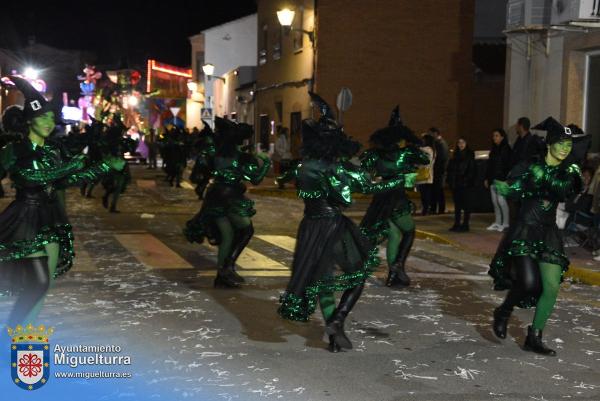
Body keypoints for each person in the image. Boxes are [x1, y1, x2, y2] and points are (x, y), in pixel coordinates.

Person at [278, 93, 405, 352]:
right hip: (334, 226)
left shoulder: (303, 166)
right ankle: (338, 319)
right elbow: (368, 187)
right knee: (357, 275)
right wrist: (399, 181)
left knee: (321, 282)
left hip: (310, 226)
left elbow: (286, 178)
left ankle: (335, 334)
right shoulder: (340, 168)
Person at [0, 76, 125, 326]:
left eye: (50, 117)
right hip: (25, 218)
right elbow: (30, 177)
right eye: (43, 117)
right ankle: (10, 334)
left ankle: (23, 341)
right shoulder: (15, 150)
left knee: (44, 287)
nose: (49, 122)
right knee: (39, 282)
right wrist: (68, 167)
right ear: (29, 121)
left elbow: (66, 181)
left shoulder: (53, 150)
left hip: (51, 218)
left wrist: (104, 166)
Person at [489, 117, 582, 356]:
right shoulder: (530, 165)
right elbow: (516, 187)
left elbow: (563, 190)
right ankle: (504, 311)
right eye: (561, 143)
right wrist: (510, 188)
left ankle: (534, 336)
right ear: (549, 143)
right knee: (530, 283)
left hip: (549, 232)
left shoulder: (569, 170)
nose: (565, 149)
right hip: (525, 229)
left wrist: (546, 175)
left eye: (568, 145)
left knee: (551, 287)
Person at [184, 117, 270, 288]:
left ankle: (221, 276)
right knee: (246, 230)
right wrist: (266, 163)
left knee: (227, 236)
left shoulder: (217, 154)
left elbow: (200, 172)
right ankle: (227, 267)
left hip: (214, 196)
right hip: (230, 197)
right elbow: (256, 180)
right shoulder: (241, 157)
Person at [360, 106, 429, 287]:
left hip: (381, 199)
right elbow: (425, 159)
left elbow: (365, 169)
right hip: (396, 198)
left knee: (394, 236)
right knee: (409, 230)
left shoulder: (376, 154)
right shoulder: (404, 153)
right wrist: (412, 144)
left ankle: (393, 275)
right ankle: (398, 265)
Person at [485, 129, 512, 231]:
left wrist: (506, 179)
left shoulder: (506, 149)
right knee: (495, 202)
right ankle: (497, 222)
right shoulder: (494, 150)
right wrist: (487, 178)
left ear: (502, 137)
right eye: (493, 136)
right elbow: (490, 165)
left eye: (496, 136)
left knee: (501, 201)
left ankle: (505, 223)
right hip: (493, 179)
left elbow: (508, 165)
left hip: (502, 179)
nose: (494, 138)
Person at [447, 138, 476, 232]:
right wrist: (450, 181)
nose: (461, 144)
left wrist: (465, 181)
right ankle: (456, 223)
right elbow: (451, 169)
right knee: (457, 206)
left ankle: (465, 224)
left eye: (463, 142)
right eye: (459, 142)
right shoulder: (455, 155)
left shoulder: (470, 155)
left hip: (465, 185)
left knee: (466, 205)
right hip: (456, 185)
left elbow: (472, 171)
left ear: (466, 143)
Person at [189, 121, 215, 200]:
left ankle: (200, 190)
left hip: (203, 159)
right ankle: (200, 190)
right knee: (206, 177)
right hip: (206, 160)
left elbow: (195, 147)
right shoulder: (209, 139)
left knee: (205, 177)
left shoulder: (204, 139)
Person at [416, 133, 436, 215]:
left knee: (424, 195)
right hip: (429, 175)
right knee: (426, 194)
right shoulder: (433, 150)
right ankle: (426, 209)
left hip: (424, 175)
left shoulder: (426, 150)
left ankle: (425, 210)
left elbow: (424, 162)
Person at [430, 127, 448, 214]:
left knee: (439, 191)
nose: (431, 136)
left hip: (439, 172)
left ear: (436, 133)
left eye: (431, 134)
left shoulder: (441, 144)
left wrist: (439, 170)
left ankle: (440, 209)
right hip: (437, 171)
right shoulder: (438, 143)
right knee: (435, 191)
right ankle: (435, 208)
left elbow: (442, 159)